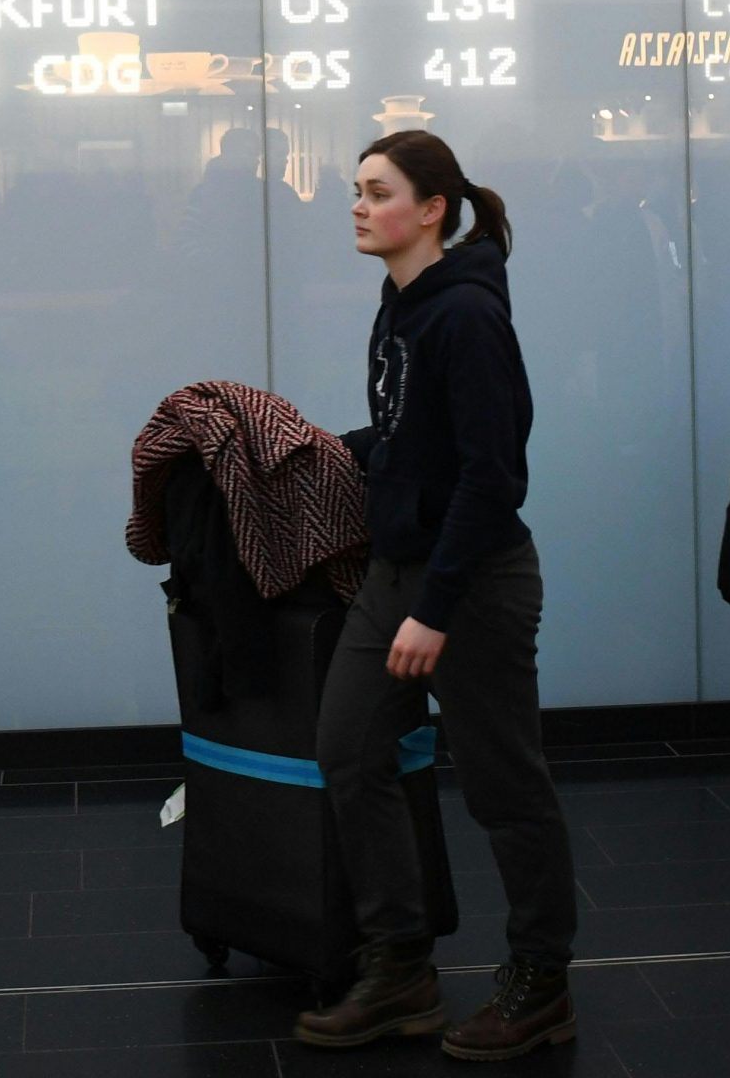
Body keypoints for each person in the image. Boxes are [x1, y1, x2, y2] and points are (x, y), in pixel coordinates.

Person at [297, 131, 579, 1061]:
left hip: (474, 581)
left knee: (504, 787)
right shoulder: (400, 302)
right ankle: (400, 968)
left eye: (377, 192)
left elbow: (492, 477)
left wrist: (437, 610)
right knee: (349, 748)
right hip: (400, 572)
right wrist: (344, 452)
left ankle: (540, 982)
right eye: (356, 189)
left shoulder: (463, 318)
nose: (358, 205)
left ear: (431, 212)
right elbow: (415, 439)